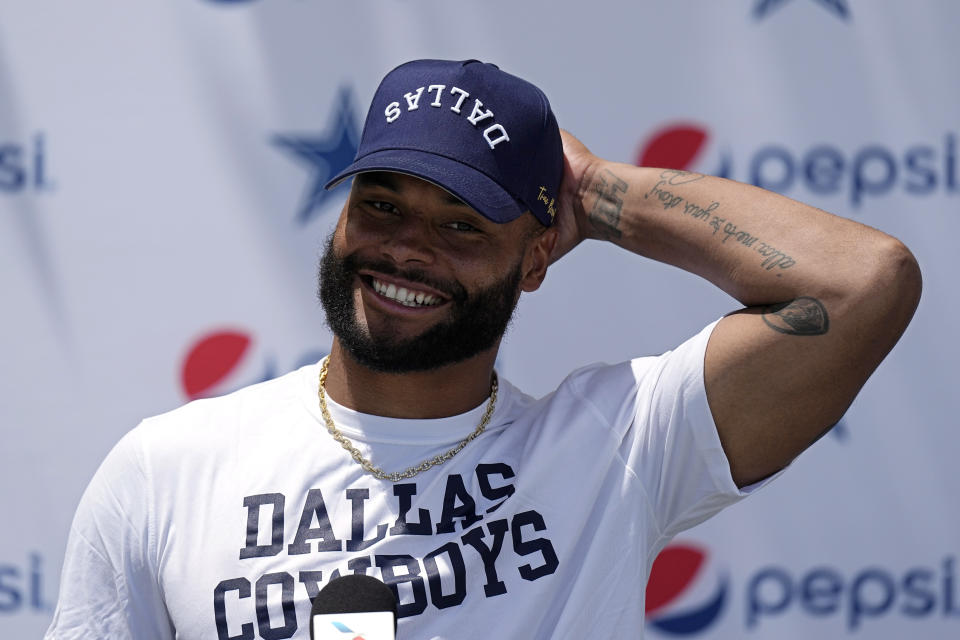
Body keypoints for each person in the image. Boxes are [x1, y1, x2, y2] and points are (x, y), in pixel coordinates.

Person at [45, 59, 921, 639]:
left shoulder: (615, 451)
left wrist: (601, 193)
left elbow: (862, 282)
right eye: (381, 205)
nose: (406, 250)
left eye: (462, 224)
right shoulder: (167, 470)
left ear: (538, 254)